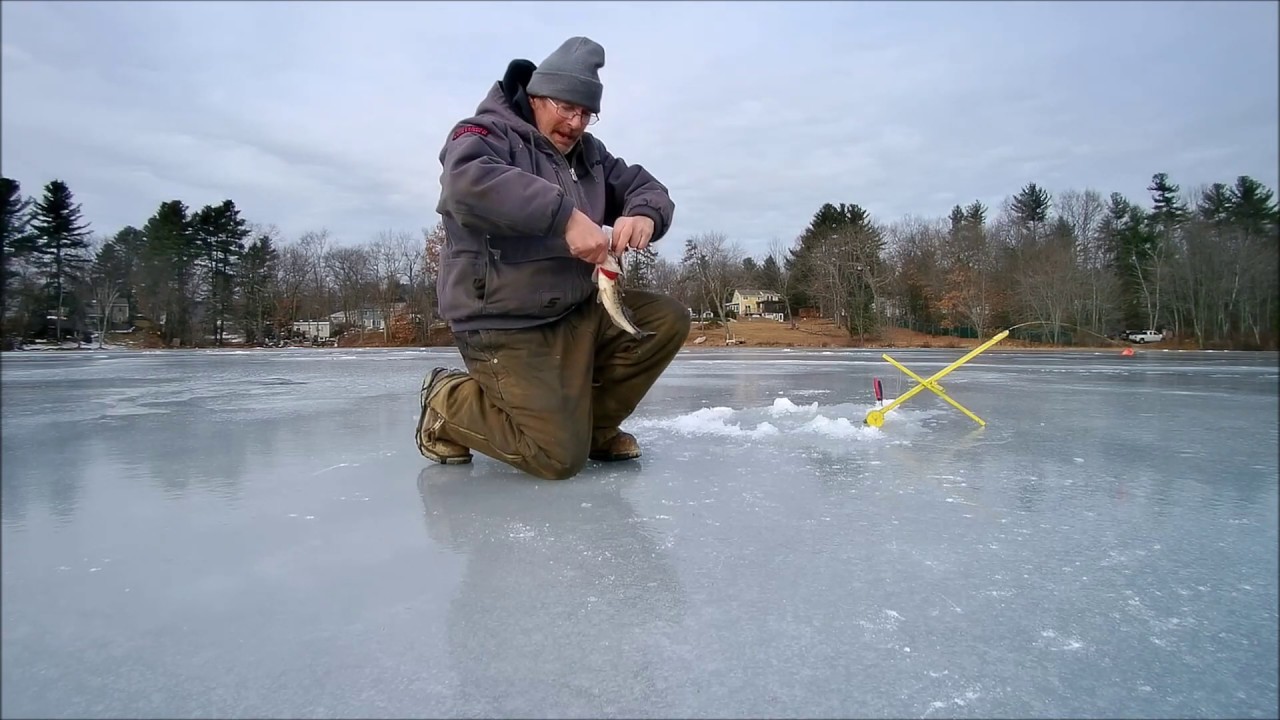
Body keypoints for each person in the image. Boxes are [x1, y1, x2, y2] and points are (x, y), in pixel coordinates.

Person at [416, 36, 691, 481]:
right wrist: (563, 217)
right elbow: (465, 185)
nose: (576, 123)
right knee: (555, 458)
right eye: (566, 107)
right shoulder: (483, 134)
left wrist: (644, 214)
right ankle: (446, 401)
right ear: (536, 96)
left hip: (574, 308)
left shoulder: (590, 155)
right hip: (505, 323)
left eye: (586, 113)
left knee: (664, 320)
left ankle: (595, 428)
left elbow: (646, 187)